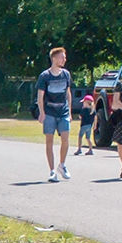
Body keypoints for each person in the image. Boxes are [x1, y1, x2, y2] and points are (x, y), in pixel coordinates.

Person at [35, 46, 74, 182]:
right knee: (49, 141)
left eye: (64, 57)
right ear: (54, 58)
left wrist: (69, 111)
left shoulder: (66, 74)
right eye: (62, 57)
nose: (64, 59)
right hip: (50, 112)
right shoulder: (45, 76)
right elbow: (40, 96)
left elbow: (68, 93)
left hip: (63, 111)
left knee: (65, 138)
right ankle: (52, 171)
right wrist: (42, 113)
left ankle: (62, 165)